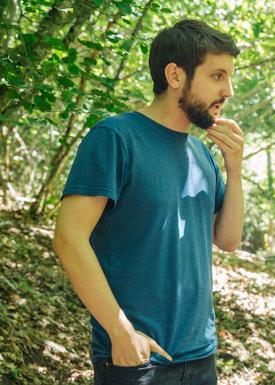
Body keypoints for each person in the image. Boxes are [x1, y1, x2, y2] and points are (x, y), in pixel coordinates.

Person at [52, 19, 244, 385]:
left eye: (230, 77)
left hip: (201, 356)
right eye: (218, 76)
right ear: (175, 75)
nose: (229, 90)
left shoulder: (202, 155)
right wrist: (119, 330)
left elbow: (229, 239)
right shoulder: (115, 137)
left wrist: (234, 171)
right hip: (136, 358)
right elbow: (68, 238)